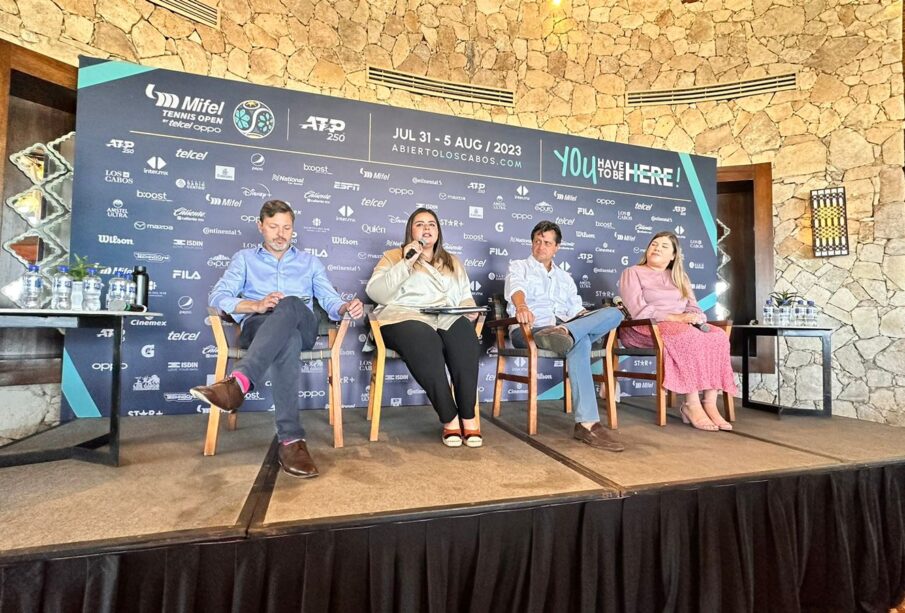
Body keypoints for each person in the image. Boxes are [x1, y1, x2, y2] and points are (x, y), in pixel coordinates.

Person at [190, 200, 363, 478]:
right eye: (273, 227)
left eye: (286, 228)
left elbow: (330, 300)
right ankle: (291, 440)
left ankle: (240, 382)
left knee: (292, 304)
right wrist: (256, 305)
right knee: (288, 339)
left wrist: (344, 307)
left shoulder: (309, 262)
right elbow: (219, 297)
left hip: (303, 323)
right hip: (259, 327)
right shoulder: (244, 259)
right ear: (260, 227)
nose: (281, 234)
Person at [365, 207, 483, 447]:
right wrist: (407, 261)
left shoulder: (452, 261)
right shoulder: (394, 256)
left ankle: (468, 417)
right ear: (410, 230)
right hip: (403, 316)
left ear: (438, 232)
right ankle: (450, 418)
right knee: (425, 339)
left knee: (465, 338)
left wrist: (470, 308)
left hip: (445, 317)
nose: (426, 228)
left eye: (431, 224)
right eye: (420, 224)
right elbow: (375, 292)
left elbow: (464, 297)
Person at [504, 220, 625, 452]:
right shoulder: (519, 266)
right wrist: (521, 307)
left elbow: (575, 310)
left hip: (562, 328)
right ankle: (587, 424)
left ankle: (567, 332)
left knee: (614, 314)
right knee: (581, 341)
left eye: (547, 242)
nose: (541, 246)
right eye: (537, 241)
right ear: (531, 243)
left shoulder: (565, 277)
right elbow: (516, 290)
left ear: (557, 247)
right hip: (530, 329)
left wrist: (586, 318)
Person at [618, 231, 737, 431]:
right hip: (644, 328)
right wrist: (676, 318)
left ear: (673, 255)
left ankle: (709, 402)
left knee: (718, 337)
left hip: (679, 327)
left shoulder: (680, 277)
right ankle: (691, 404)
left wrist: (695, 317)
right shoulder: (633, 272)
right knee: (686, 337)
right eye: (654, 244)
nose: (657, 248)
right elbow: (638, 310)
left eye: (664, 246)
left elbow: (694, 307)